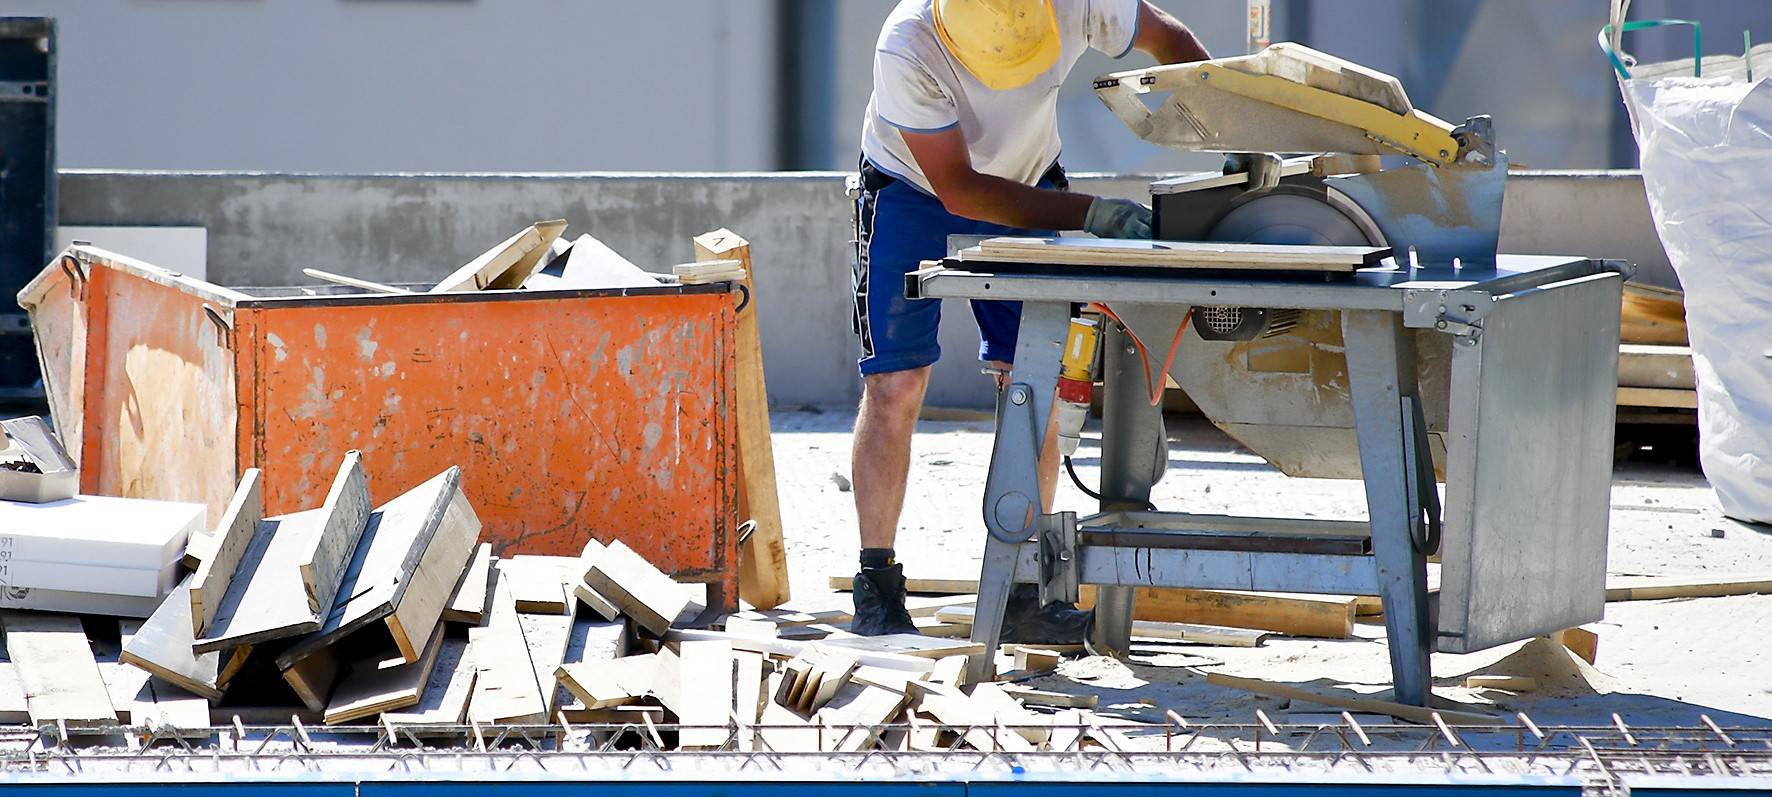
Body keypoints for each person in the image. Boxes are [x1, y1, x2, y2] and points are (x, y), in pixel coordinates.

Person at [848, 0, 1213, 637]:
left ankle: (1022, 591)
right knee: (895, 386)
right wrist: (1088, 213)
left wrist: (1229, 134)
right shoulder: (908, 43)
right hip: (915, 189)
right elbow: (961, 189)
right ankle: (875, 585)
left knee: (1032, 386)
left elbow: (1170, 41)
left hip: (1030, 175)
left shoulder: (1078, 2)